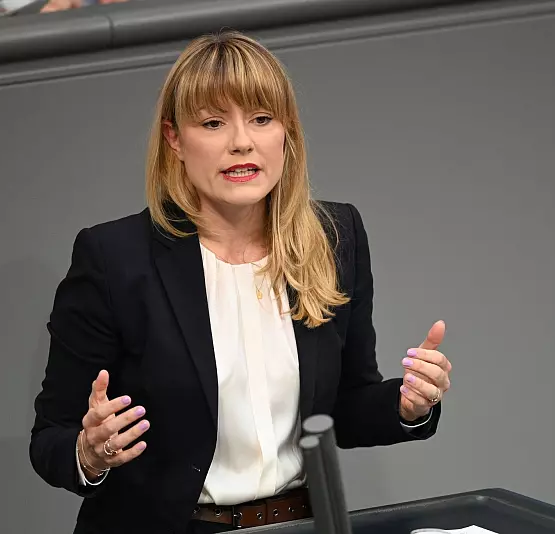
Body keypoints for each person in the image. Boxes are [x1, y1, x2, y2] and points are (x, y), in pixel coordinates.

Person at [29, 29, 452, 534]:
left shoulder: (335, 237)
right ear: (174, 139)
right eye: (213, 123)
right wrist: (89, 452)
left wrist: (408, 404)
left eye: (261, 118)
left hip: (299, 525)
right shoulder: (114, 257)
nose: (241, 142)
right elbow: (50, 438)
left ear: (286, 131)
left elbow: (345, 407)